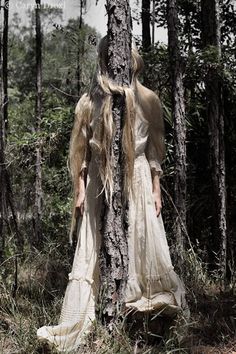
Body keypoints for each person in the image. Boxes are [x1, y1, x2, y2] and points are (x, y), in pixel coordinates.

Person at [37, 36, 189, 352]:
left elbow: (153, 151)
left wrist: (156, 187)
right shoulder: (89, 102)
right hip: (98, 182)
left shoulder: (148, 99)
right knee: (95, 245)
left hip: (137, 178)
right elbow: (82, 153)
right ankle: (95, 318)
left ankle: (142, 321)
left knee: (140, 239)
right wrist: (79, 190)